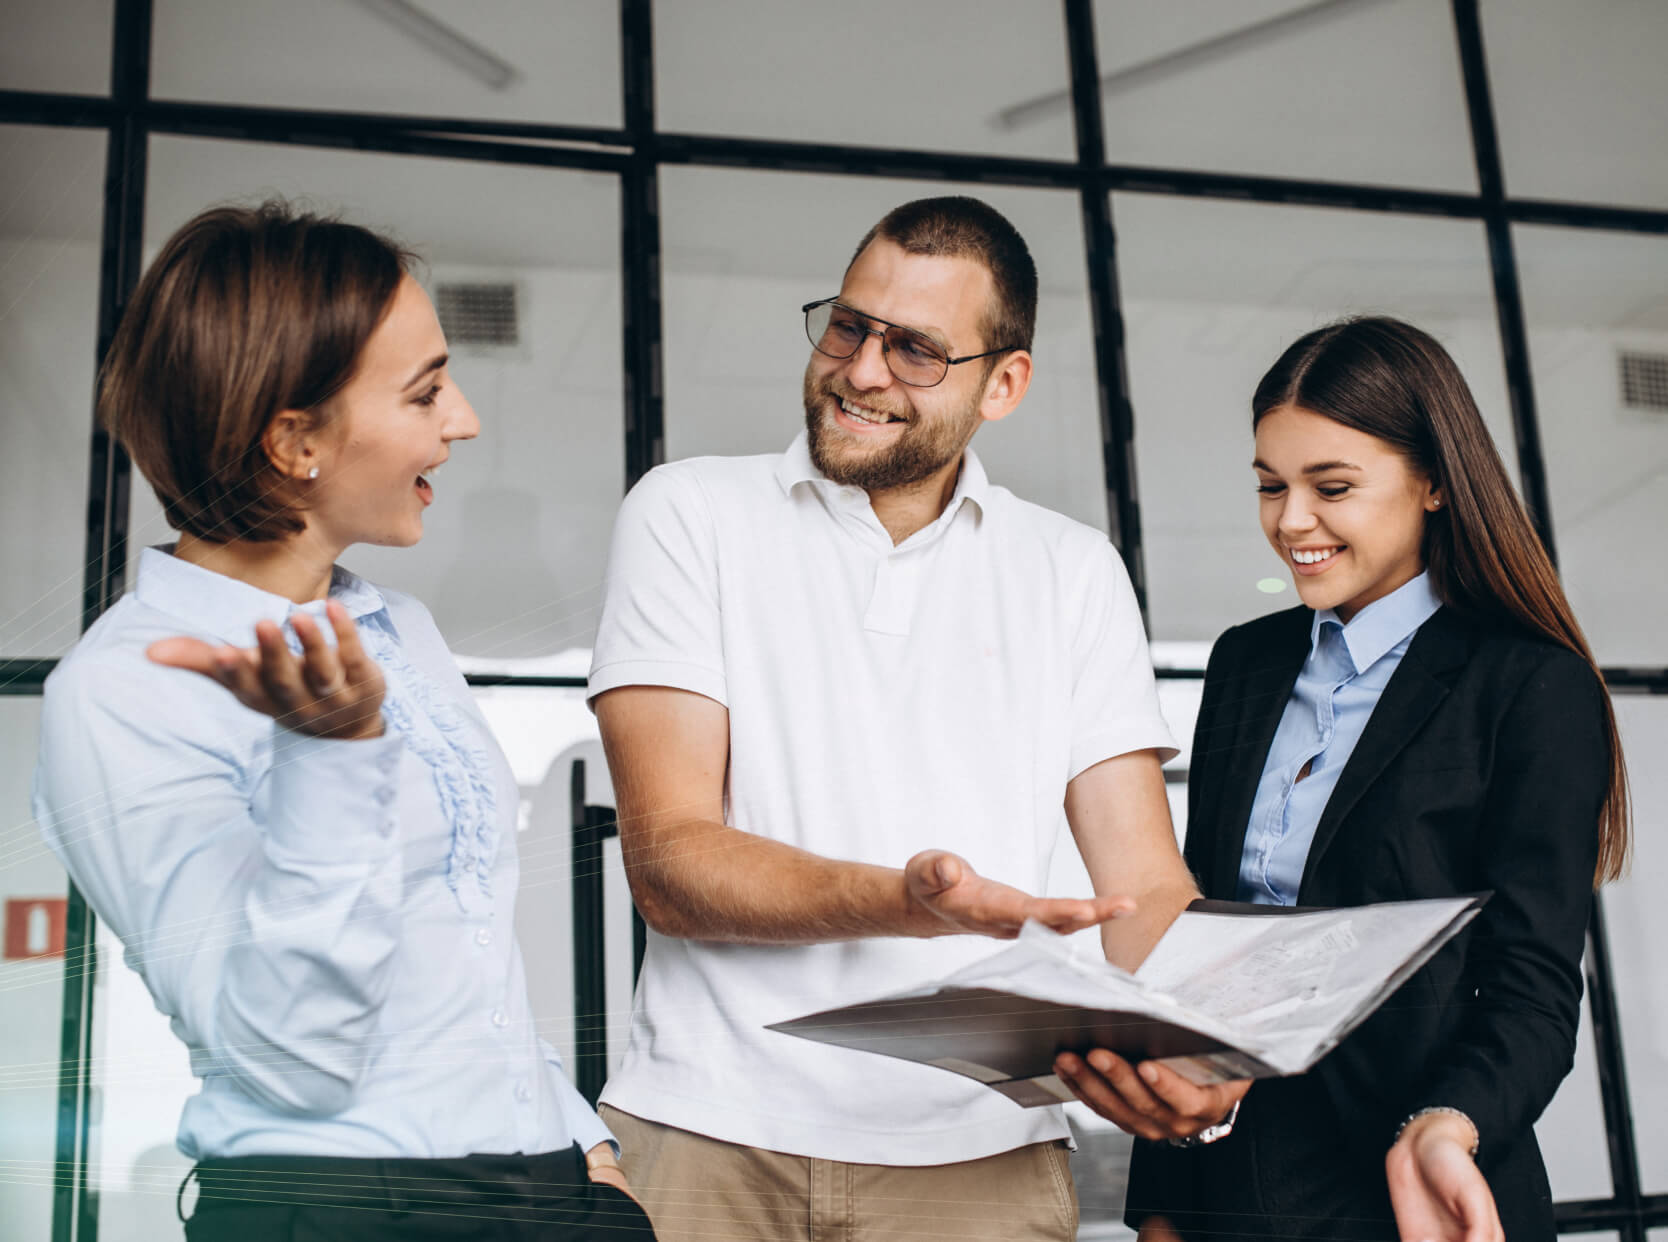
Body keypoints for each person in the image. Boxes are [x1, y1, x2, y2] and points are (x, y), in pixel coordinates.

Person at [586, 195, 1247, 1242]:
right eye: (849, 325)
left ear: (1006, 383)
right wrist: (914, 902)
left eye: (917, 350)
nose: (860, 370)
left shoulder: (1074, 572)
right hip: (708, 1138)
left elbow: (1143, 887)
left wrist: (1203, 1050)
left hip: (978, 1160)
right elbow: (669, 865)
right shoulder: (688, 513)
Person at [33, 202, 657, 1242]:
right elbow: (288, 1056)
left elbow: (459, 945)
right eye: (424, 393)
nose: (463, 421)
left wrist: (580, 1150)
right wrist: (330, 756)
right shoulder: (120, 692)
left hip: (548, 1186)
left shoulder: (393, 627)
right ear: (294, 440)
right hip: (349, 1212)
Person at [1059, 316, 1630, 1241]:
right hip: (1234, 1193)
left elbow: (1530, 986)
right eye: (1269, 486)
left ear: (1436, 481)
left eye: (1332, 487)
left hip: (1409, 1191)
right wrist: (1160, 1207)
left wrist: (1447, 1127)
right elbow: (1204, 944)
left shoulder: (1527, 683)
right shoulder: (1248, 663)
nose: (1291, 521)